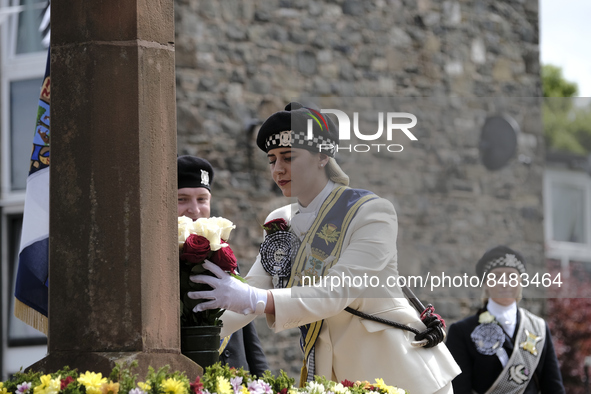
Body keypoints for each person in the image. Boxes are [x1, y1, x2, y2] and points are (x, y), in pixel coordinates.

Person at [187, 103, 461, 392]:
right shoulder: (280, 221)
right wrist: (186, 340)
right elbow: (248, 293)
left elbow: (336, 291)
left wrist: (255, 299)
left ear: (323, 156)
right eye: (271, 160)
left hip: (401, 373)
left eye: (289, 157)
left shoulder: (372, 213)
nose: (278, 169)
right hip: (333, 378)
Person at [177, 155, 269, 377]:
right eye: (182, 199)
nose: (195, 209)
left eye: (202, 199)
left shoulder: (219, 249)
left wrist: (262, 377)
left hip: (237, 377)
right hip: (189, 376)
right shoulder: (158, 258)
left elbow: (245, 324)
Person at [445, 245, 565, 393]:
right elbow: (459, 389)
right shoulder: (462, 331)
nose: (505, 281)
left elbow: (553, 387)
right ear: (485, 283)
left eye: (512, 276)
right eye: (496, 276)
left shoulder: (539, 327)